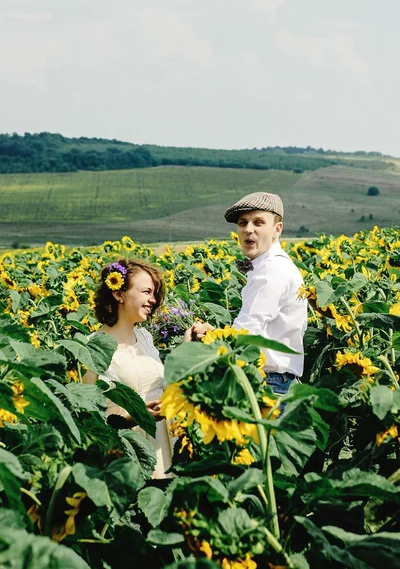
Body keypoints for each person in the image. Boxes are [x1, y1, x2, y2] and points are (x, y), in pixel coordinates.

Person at [83, 258, 191, 478]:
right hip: (129, 454)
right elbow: (89, 415)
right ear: (118, 294)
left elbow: (163, 385)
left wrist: (188, 347)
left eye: (154, 294)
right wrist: (138, 415)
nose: (152, 300)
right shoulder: (91, 347)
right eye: (146, 292)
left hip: (164, 445)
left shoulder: (144, 337)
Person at [193, 192, 308, 395]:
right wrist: (214, 333)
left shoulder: (272, 269)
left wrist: (207, 347)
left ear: (277, 229)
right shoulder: (271, 266)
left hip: (269, 384)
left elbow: (246, 332)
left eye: (258, 222)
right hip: (276, 382)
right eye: (243, 223)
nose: (248, 230)